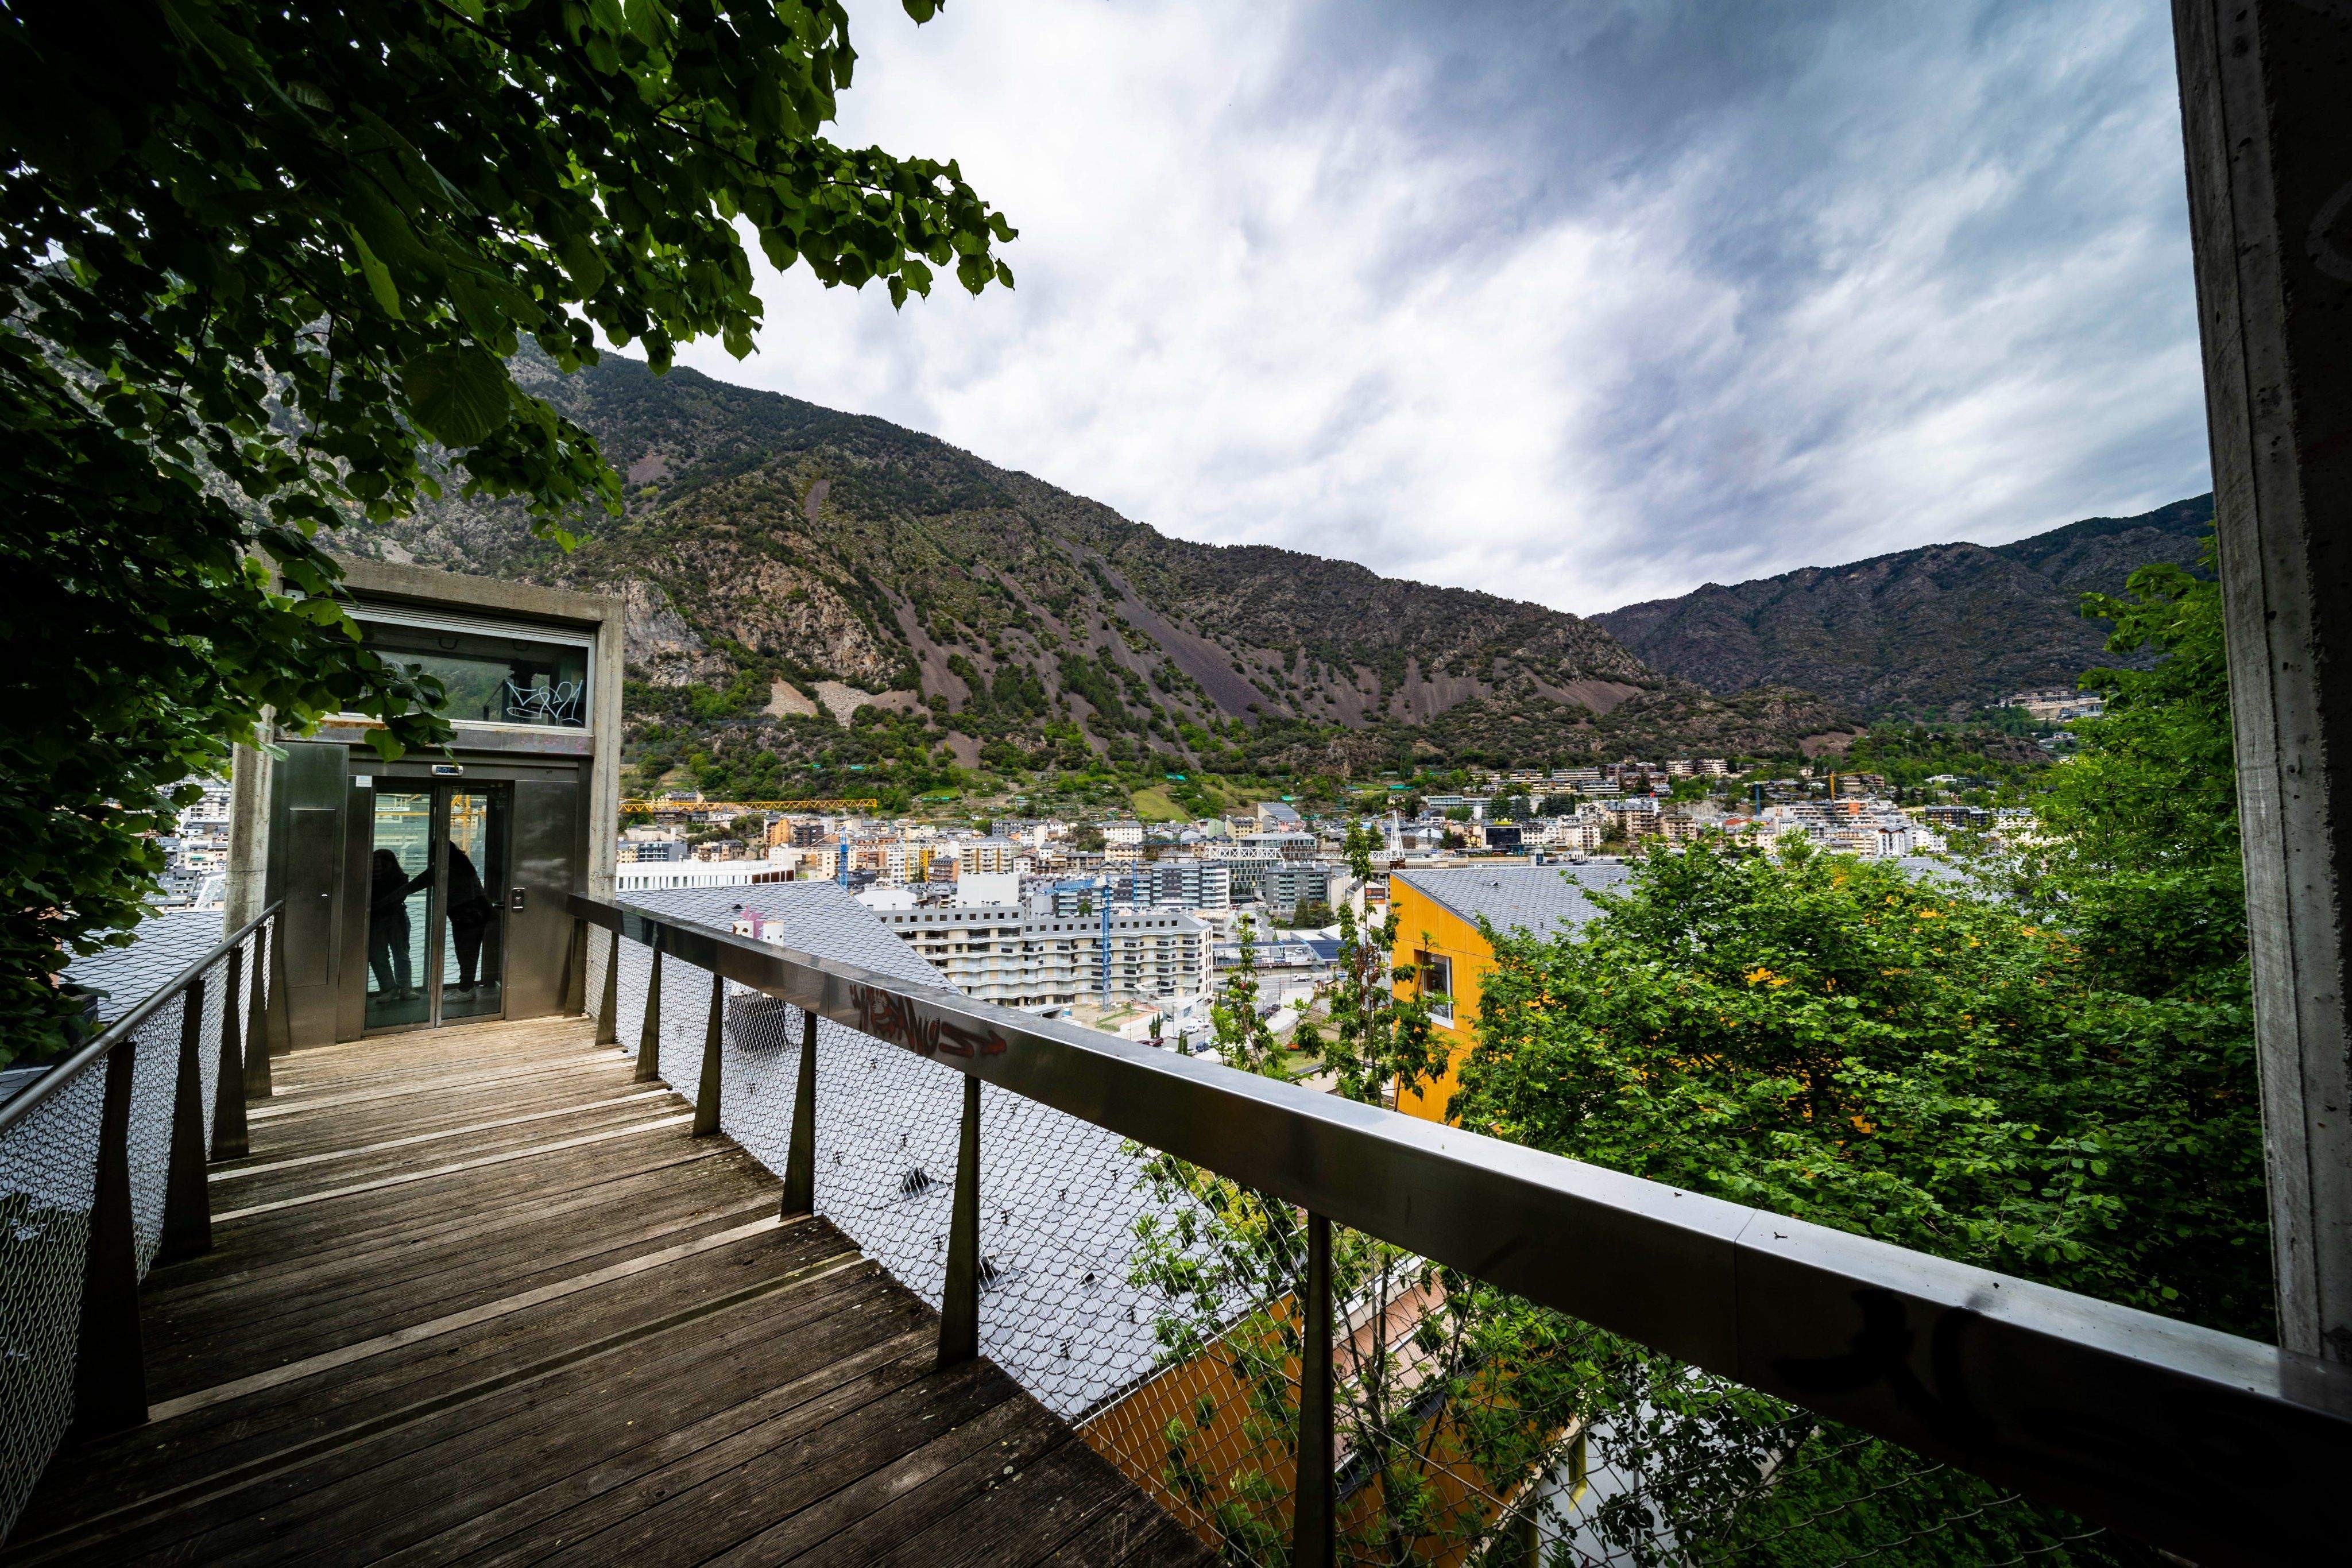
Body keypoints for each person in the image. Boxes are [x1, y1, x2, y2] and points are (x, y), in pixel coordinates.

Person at [367, 849, 425, 1000]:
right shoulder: (401, 877)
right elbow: (399, 897)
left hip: (381, 918)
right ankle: (404, 988)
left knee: (379, 955)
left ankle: (390, 988)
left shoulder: (370, 879)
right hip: (396, 917)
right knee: (398, 954)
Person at [444, 843, 498, 994]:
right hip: (480, 916)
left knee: (464, 954)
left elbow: (414, 885)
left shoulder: (445, 871)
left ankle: (466, 989)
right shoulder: (466, 867)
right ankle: (467, 987)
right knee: (471, 954)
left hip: (464, 918)